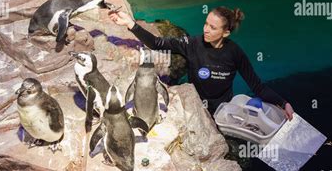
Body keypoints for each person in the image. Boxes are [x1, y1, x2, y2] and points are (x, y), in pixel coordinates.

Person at [109, 7, 294, 121]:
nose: (206, 29)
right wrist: (130, 24)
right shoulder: (191, 44)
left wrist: (283, 102)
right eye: (206, 24)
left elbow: (257, 86)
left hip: (223, 110)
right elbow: (157, 43)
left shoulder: (235, 53)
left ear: (226, 33)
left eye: (213, 28)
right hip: (196, 107)